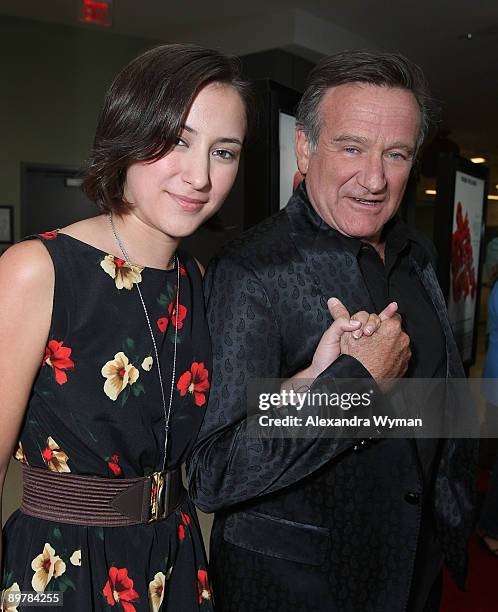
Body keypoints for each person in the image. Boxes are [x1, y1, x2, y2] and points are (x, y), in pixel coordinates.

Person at [188, 51, 476, 611]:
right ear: (305, 146)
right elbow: (213, 470)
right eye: (351, 148)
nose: (374, 178)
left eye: (395, 154)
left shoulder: (418, 255)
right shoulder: (252, 269)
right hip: (299, 589)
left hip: (413, 572)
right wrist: (354, 385)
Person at [0, 43, 252, 611]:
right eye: (179, 141)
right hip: (63, 570)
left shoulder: (195, 279)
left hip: (175, 559)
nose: (199, 176)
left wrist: (323, 372)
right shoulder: (38, 271)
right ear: (131, 132)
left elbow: (218, 421)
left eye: (225, 152)